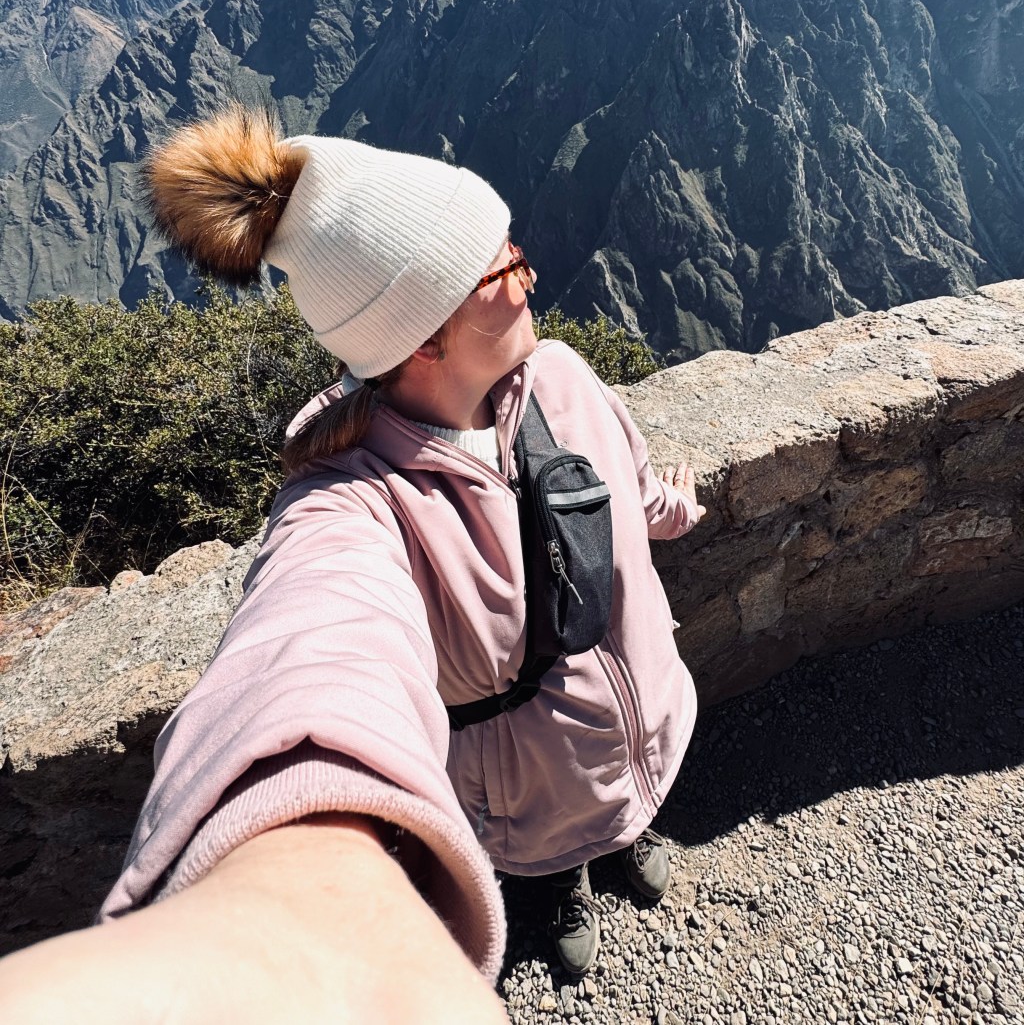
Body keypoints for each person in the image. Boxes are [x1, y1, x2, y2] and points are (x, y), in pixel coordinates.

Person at [0, 102, 705, 1021]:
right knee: (552, 836)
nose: (530, 276)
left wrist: (668, 509)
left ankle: (627, 833)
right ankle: (564, 879)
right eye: (502, 266)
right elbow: (312, 637)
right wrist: (291, 873)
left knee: (619, 806)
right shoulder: (356, 504)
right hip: (530, 782)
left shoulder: (567, 376)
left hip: (639, 712)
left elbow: (625, 479)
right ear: (424, 333)